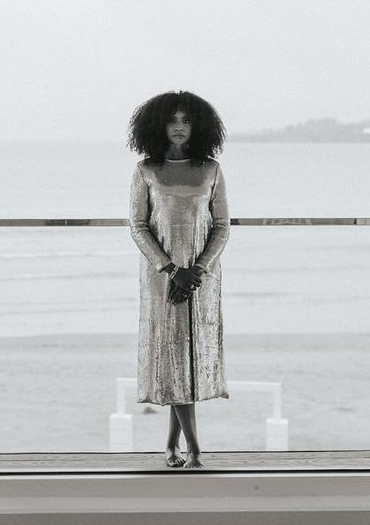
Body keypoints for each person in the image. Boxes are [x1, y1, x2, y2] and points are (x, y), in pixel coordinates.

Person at [127, 90, 230, 469]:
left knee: (184, 358)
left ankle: (172, 445)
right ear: (158, 125)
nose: (179, 127)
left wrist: (197, 271)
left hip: (202, 281)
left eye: (186, 120)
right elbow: (138, 227)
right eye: (172, 120)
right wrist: (171, 270)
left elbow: (222, 228)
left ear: (198, 125)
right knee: (173, 355)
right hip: (162, 281)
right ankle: (194, 450)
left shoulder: (211, 169)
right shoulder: (145, 171)